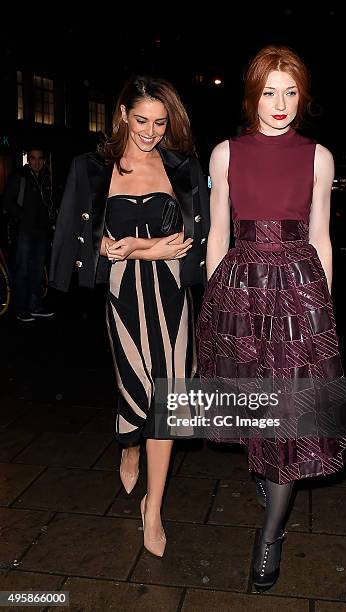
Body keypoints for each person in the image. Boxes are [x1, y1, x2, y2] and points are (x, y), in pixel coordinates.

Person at [197, 45, 346, 591]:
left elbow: (322, 238)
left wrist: (322, 313)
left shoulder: (320, 157)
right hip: (241, 288)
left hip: (297, 292)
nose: (280, 103)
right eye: (269, 92)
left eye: (290, 92)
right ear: (252, 95)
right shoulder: (224, 154)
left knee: (290, 417)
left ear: (302, 97)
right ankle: (266, 474)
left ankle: (270, 535)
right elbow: (217, 233)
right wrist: (215, 304)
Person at [49, 75, 209, 557]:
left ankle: (154, 508)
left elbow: (188, 243)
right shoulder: (91, 168)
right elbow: (82, 244)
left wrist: (145, 247)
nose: (151, 131)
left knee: (170, 396)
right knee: (136, 391)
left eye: (160, 122)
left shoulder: (181, 168)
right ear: (122, 115)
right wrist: (143, 250)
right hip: (123, 297)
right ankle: (130, 443)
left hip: (173, 298)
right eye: (142, 120)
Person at [2, 148, 55, 321]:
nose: (37, 162)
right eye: (33, 158)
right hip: (24, 231)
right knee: (23, 269)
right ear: (28, 160)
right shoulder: (21, 176)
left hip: (42, 232)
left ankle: (35, 306)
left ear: (44, 160)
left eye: (40, 158)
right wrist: (23, 217)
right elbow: (7, 201)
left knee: (37, 270)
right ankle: (21, 308)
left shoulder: (46, 178)